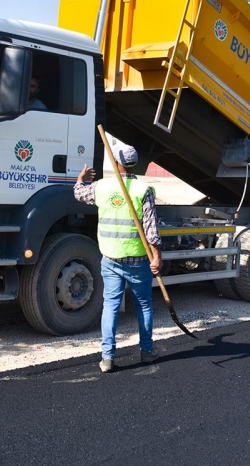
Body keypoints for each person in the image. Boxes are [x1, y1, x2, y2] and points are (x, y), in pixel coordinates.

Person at [74, 143, 163, 373]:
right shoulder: (143, 190)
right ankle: (146, 351)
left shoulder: (101, 187)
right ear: (134, 164)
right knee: (144, 305)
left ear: (116, 163)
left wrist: (80, 178)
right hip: (137, 260)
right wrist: (157, 257)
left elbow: (78, 193)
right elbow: (152, 232)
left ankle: (108, 358)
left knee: (111, 306)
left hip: (110, 258)